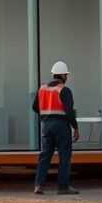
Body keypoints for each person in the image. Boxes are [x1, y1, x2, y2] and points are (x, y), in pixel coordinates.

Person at [31, 61, 80, 195]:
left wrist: (45, 116)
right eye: (66, 75)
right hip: (61, 125)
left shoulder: (42, 89)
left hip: (46, 125)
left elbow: (34, 107)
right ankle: (63, 187)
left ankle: (39, 185)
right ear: (64, 75)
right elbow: (69, 111)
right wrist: (75, 127)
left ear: (53, 74)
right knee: (64, 155)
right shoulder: (64, 90)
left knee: (45, 155)